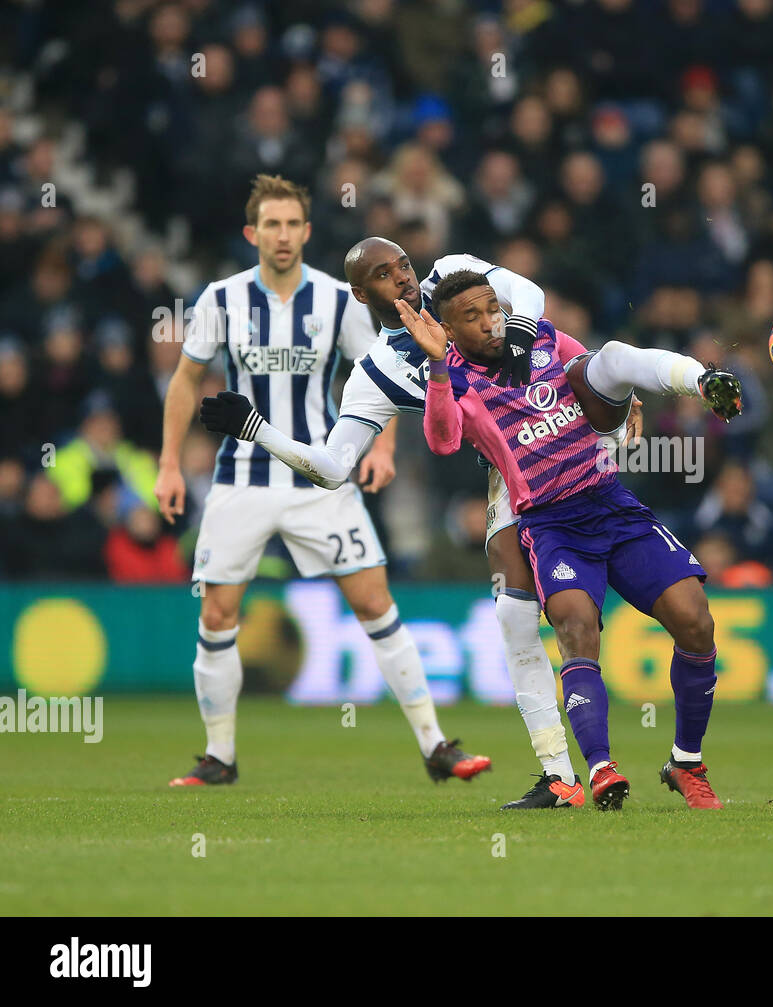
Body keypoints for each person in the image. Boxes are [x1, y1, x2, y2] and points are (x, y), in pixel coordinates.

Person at [200, 238, 609, 810]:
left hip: (571, 437)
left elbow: (530, 294)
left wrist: (525, 347)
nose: (404, 280)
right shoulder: (377, 373)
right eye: (385, 276)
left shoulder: (453, 277)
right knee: (516, 619)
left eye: (405, 267)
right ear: (360, 294)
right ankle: (560, 776)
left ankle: (670, 753)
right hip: (513, 476)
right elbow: (334, 468)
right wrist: (258, 430)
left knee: (635, 600)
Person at [154, 175, 489, 788]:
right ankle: (219, 758)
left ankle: (438, 747)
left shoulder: (339, 299)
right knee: (218, 615)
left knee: (374, 604)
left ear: (306, 232)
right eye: (271, 225)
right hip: (242, 478)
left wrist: (382, 446)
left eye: (293, 225)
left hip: (319, 478)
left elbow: (382, 369)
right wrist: (170, 463)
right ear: (254, 233)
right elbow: (184, 378)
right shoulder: (220, 299)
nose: (282, 236)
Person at [412, 269, 743, 810]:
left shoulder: (540, 336)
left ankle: (687, 763)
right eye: (469, 317)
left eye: (490, 307)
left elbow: (596, 368)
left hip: (610, 502)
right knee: (575, 627)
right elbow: (444, 440)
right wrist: (434, 366)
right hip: (551, 524)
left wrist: (624, 398)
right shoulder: (457, 379)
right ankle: (600, 769)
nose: (488, 321)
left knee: (696, 619)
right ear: (447, 329)